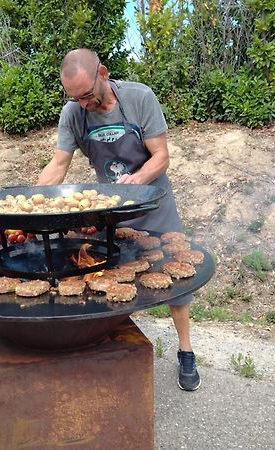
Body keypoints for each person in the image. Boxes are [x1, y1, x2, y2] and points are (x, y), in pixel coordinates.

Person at [38, 48, 200, 391]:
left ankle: (185, 350)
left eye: (86, 95)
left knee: (175, 282)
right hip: (111, 212)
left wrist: (136, 181)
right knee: (108, 280)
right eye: (74, 98)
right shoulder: (72, 113)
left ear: (104, 74)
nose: (82, 104)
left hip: (154, 204)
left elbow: (161, 157)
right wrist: (32, 200)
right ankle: (111, 352)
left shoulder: (139, 98)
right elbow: (58, 165)